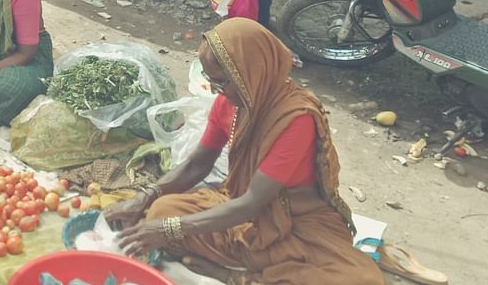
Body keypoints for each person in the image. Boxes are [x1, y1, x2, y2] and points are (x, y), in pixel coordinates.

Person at [106, 18, 383, 284]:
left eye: (223, 82)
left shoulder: (296, 118)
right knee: (161, 210)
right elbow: (196, 166)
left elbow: (254, 202)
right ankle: (250, 264)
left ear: (253, 70)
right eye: (211, 81)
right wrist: (145, 197)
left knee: (358, 279)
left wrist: (171, 229)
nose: (217, 91)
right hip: (237, 208)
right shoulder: (228, 104)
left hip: (295, 221)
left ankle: (236, 277)